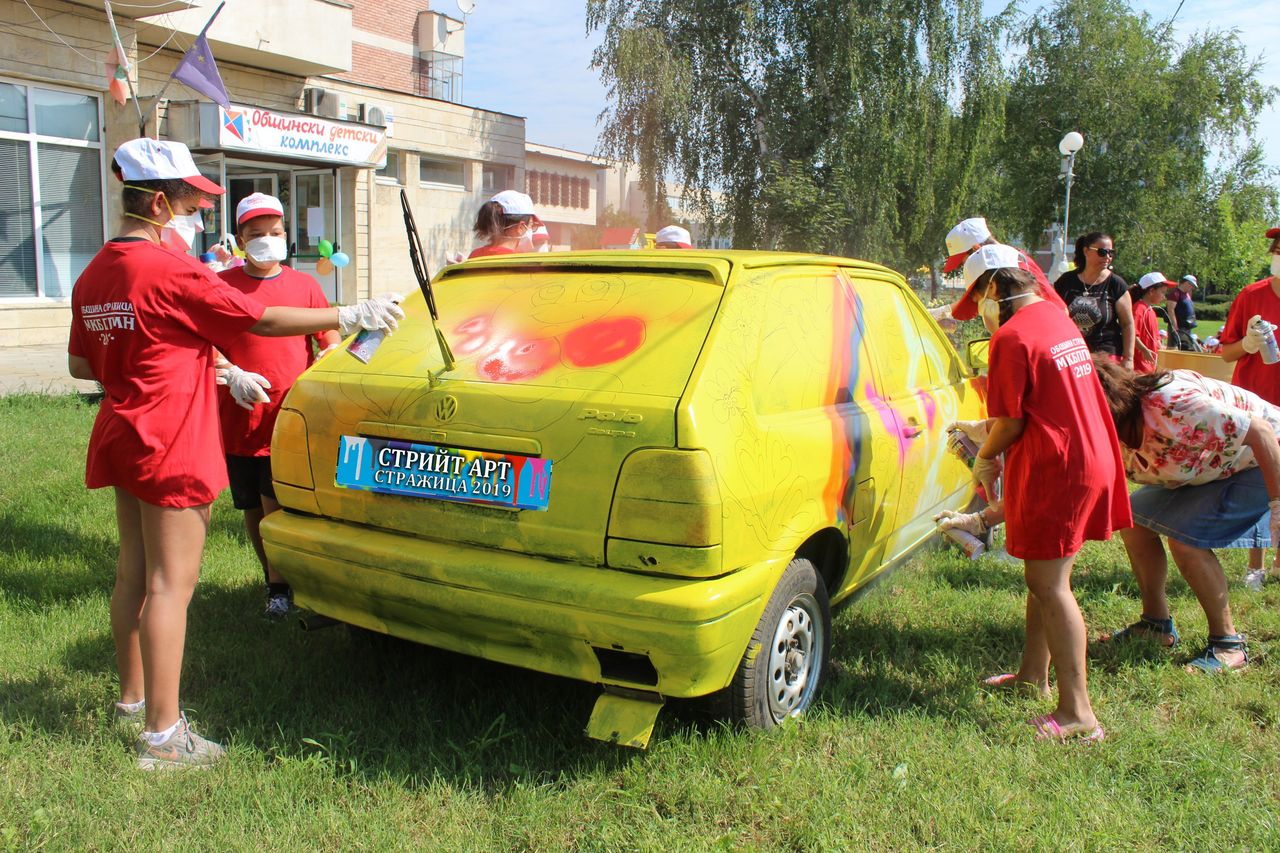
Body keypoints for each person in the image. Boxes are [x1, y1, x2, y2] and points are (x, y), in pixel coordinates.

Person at [67, 138, 403, 770]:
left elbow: (82, 364)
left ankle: (133, 700)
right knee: (171, 585)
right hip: (170, 436)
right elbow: (257, 319)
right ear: (159, 204)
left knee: (133, 573)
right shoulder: (170, 268)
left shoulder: (95, 272)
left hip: (123, 428)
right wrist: (350, 312)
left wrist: (195, 366)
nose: (199, 218)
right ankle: (165, 738)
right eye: (192, 205)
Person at [965, 244, 1130, 743]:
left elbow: (1010, 422)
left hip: (1059, 465)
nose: (981, 310)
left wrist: (984, 454)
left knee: (1050, 584)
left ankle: (1079, 713)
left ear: (996, 287)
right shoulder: (1057, 320)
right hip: (1087, 453)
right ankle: (1031, 676)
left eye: (979, 296)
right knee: (1045, 576)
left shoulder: (1012, 336)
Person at [1092, 356, 1280, 672]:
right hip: (1211, 466)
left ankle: (1228, 645)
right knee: (1133, 521)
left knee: (1186, 539)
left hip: (1263, 459)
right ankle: (1156, 626)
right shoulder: (1110, 430)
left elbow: (1261, 432)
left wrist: (1277, 506)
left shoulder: (1172, 404)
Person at [214, 192, 341, 617]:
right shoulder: (222, 285)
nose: (267, 240)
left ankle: (285, 584)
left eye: (275, 232)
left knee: (280, 502)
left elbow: (328, 334)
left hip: (288, 416)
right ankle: (273, 582)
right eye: (256, 234)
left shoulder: (304, 285)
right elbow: (201, 339)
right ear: (240, 240)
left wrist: (330, 352)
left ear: (286, 234)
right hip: (239, 416)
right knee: (252, 505)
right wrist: (230, 371)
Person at [1219, 226, 1280, 588]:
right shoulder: (1251, 295)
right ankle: (1254, 565)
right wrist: (1247, 344)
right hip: (1256, 405)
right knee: (1258, 482)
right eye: (1279, 249)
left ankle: (1279, 563)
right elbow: (1225, 352)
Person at [929, 216, 1065, 332]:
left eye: (963, 261)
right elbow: (974, 300)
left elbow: (1060, 309)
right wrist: (941, 312)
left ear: (976, 249)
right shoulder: (1008, 264)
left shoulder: (1014, 265)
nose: (964, 266)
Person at [1053, 232, 1135, 367]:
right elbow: (1053, 317)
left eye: (1111, 253)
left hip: (1107, 357)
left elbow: (1127, 324)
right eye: (1102, 252)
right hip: (1073, 354)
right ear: (1086, 251)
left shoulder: (1116, 284)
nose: (1108, 257)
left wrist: (1129, 359)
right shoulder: (1066, 281)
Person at [468, 190, 541, 258]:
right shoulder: (521, 262)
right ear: (521, 228)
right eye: (531, 225)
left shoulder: (474, 255)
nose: (531, 231)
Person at [1131, 272, 1172, 374]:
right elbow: (1132, 335)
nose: (1164, 297)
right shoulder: (1138, 309)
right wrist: (1144, 350)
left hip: (1150, 367)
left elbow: (1155, 337)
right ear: (1151, 291)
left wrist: (1161, 347)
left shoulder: (1151, 311)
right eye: (1162, 292)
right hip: (1139, 368)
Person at [1167, 274, 1199, 350]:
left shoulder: (1187, 294)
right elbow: (1170, 310)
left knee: (1186, 347)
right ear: (1186, 283)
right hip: (1178, 326)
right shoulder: (1175, 293)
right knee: (1173, 347)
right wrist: (1174, 325)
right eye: (1191, 285)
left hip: (1186, 327)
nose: (1192, 287)